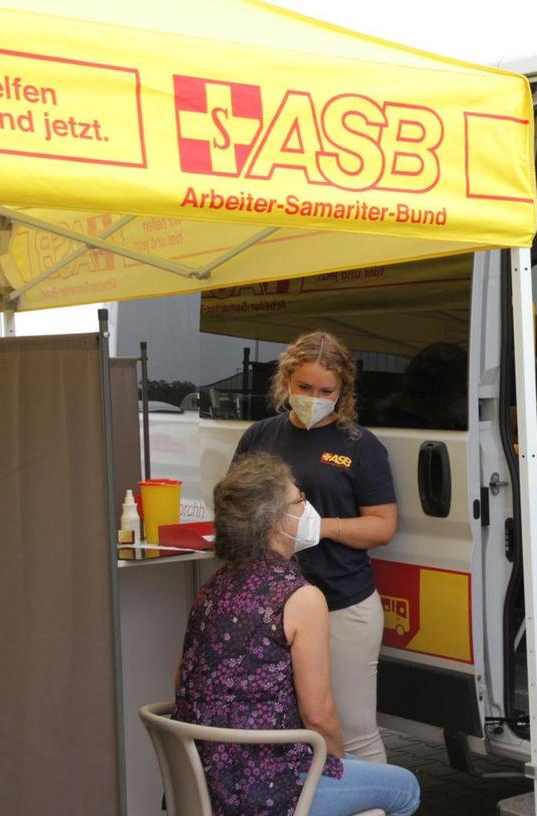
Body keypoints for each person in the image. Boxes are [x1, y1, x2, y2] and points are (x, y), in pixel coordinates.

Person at [174, 453, 419, 816]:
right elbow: (319, 717)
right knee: (406, 788)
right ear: (275, 521)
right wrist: (333, 764)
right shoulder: (300, 597)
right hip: (271, 790)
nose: (308, 508)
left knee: (358, 768)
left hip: (202, 779)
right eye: (300, 500)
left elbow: (181, 680)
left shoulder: (212, 588)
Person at [233, 331, 398, 763]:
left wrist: (321, 527)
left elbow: (382, 526)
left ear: (342, 392)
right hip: (272, 605)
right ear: (286, 380)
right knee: (287, 726)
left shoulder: (360, 447)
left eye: (326, 391)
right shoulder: (259, 437)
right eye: (304, 387)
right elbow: (238, 505)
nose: (313, 397)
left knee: (352, 731)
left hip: (343, 601)